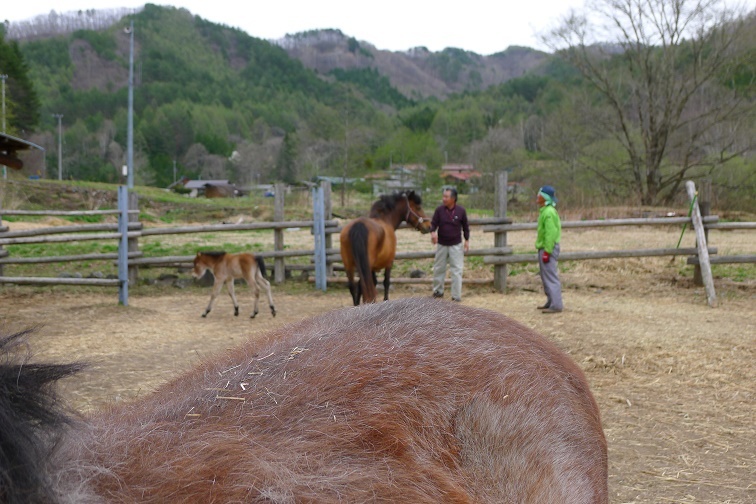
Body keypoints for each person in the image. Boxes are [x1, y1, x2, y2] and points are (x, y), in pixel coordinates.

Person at [430, 188, 470, 302]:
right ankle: (438, 292)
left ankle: (456, 296)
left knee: (456, 270)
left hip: (456, 245)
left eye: (446, 197)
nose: (444, 199)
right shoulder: (439, 210)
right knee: (439, 268)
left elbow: (465, 227)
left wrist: (467, 240)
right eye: (443, 196)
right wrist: (433, 233)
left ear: (453, 198)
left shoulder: (461, 211)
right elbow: (433, 224)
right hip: (442, 245)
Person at [535, 185, 563, 313]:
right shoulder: (545, 211)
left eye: (539, 194)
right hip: (545, 247)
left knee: (550, 275)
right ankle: (551, 301)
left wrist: (547, 251)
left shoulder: (549, 212)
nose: (537, 196)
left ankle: (556, 305)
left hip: (548, 248)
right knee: (545, 275)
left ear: (544, 197)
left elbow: (550, 234)